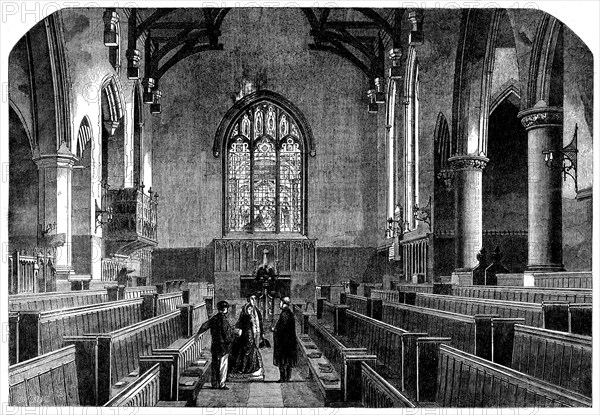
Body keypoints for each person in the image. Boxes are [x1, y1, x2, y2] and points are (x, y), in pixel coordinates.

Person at [195, 300, 241, 389]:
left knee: (215, 365)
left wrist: (198, 334)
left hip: (215, 346)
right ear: (225, 309)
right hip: (223, 347)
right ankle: (221, 384)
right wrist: (235, 334)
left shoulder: (214, 318)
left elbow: (204, 325)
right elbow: (226, 335)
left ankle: (214, 383)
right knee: (223, 366)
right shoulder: (224, 320)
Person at [228, 295, 265, 379]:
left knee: (254, 350)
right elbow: (240, 322)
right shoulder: (244, 311)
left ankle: (251, 368)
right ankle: (245, 369)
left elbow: (260, 323)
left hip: (256, 334)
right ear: (249, 300)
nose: (254, 300)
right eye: (252, 299)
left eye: (255, 299)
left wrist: (262, 333)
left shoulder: (257, 311)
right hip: (247, 336)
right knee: (247, 351)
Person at [272, 296, 298, 382]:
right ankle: (287, 378)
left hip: (284, 342)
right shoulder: (288, 313)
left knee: (283, 360)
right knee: (287, 360)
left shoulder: (284, 314)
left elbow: (281, 329)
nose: (279, 304)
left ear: (284, 303)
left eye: (280, 302)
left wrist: (275, 330)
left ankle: (283, 378)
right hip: (288, 342)